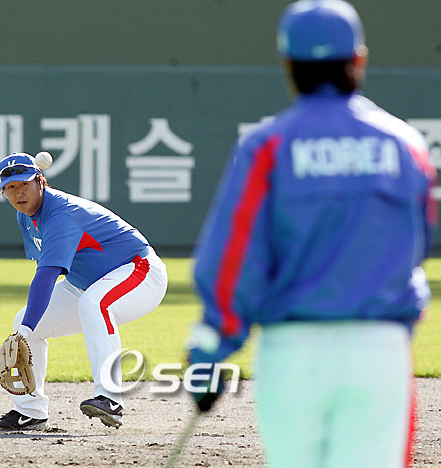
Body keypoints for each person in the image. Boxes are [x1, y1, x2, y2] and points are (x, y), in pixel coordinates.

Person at [186, 1, 438, 467]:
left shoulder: (267, 146)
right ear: (358, 58)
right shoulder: (406, 145)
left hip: (293, 354)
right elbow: (417, 243)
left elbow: (234, 259)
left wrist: (212, 344)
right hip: (379, 351)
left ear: (288, 64)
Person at [0, 152, 168, 430]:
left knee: (94, 304)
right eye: (10, 187)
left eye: (24, 184)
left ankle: (110, 399)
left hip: (140, 271)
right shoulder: (25, 216)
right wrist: (26, 328)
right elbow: (49, 269)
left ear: (40, 182)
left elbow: (47, 274)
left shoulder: (61, 213)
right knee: (26, 320)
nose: (18, 193)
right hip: (85, 283)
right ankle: (30, 412)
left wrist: (23, 332)